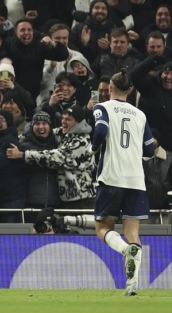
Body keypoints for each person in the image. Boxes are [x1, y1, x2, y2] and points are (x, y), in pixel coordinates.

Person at [91, 68, 155, 296]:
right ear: (130, 90)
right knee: (133, 231)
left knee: (102, 228)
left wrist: (94, 148)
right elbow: (149, 149)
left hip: (111, 177)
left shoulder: (102, 107)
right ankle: (132, 285)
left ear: (109, 89)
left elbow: (100, 131)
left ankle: (125, 250)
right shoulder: (140, 115)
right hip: (136, 179)